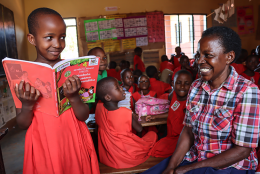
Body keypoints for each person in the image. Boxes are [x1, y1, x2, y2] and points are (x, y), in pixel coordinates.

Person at [143, 26, 260, 174]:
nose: (199, 61)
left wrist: (186, 169)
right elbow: (188, 131)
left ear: (229, 57)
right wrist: (171, 167)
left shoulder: (247, 92)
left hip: (230, 166)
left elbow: (242, 150)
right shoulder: (196, 86)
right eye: (199, 55)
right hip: (195, 157)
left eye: (208, 55)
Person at [17, 8, 99, 174]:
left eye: (62, 37)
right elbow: (22, 124)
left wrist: (74, 97)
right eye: (49, 37)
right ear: (32, 39)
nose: (57, 44)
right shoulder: (24, 76)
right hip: (43, 142)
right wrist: (27, 105)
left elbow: (83, 116)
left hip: (73, 138)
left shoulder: (73, 71)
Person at [95, 77, 157, 169]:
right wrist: (132, 115)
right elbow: (139, 129)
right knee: (153, 134)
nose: (122, 88)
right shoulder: (125, 112)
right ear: (108, 97)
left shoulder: (99, 108)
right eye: (117, 88)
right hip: (127, 157)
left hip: (108, 157)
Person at [148, 70, 193, 158]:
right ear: (173, 84)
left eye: (187, 83)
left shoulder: (190, 103)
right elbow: (172, 112)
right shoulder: (174, 95)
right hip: (170, 136)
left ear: (192, 86)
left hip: (179, 140)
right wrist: (155, 117)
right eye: (179, 83)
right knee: (152, 146)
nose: (182, 86)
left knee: (154, 151)